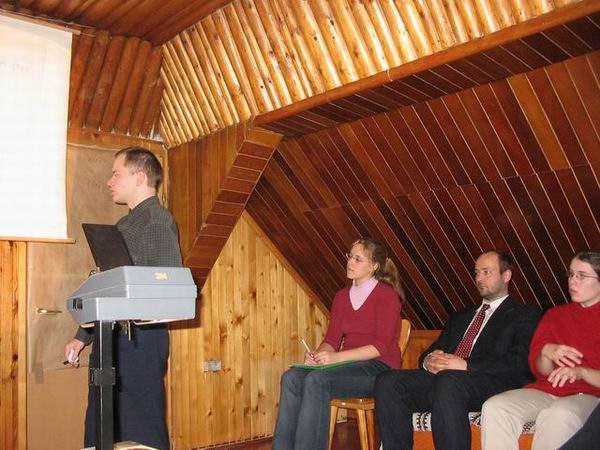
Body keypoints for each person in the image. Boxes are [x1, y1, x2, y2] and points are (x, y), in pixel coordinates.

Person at [63, 147, 182, 450]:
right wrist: (82, 336)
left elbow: (166, 292)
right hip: (110, 340)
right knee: (104, 427)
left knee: (140, 431)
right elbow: (108, 290)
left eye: (116, 174)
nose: (109, 181)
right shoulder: (123, 226)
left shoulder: (157, 221)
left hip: (140, 342)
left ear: (140, 177)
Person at [375, 250, 541, 450]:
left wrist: (465, 365)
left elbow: (518, 362)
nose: (479, 278)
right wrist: (429, 360)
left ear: (506, 276)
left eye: (486, 272)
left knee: (449, 381)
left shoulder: (525, 314)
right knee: (388, 380)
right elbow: (435, 349)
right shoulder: (461, 315)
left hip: (490, 382)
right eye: (476, 272)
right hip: (447, 382)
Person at [272, 237, 404, 450]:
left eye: (358, 259)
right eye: (350, 256)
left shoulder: (387, 295)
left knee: (317, 380)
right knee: (292, 377)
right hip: (348, 365)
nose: (350, 262)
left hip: (379, 369)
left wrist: (335, 358)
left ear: (374, 266)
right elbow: (332, 339)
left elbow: (380, 347)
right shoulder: (341, 297)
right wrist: (318, 355)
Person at [481, 251, 600, 450]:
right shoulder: (555, 315)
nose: (573, 281)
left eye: (582, 276)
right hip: (545, 391)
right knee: (494, 407)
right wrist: (546, 352)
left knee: (558, 414)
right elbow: (540, 371)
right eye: (571, 274)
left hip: (589, 395)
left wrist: (582, 372)